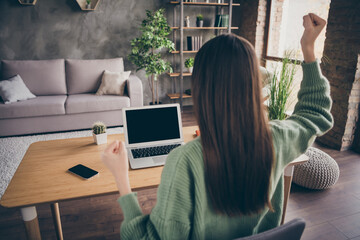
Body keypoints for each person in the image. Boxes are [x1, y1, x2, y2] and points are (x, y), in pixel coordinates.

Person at [101, 13, 333, 239]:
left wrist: (122, 178)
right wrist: (308, 49)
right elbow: (315, 114)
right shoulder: (278, 138)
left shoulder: (184, 161)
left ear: (201, 90)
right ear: (253, 85)